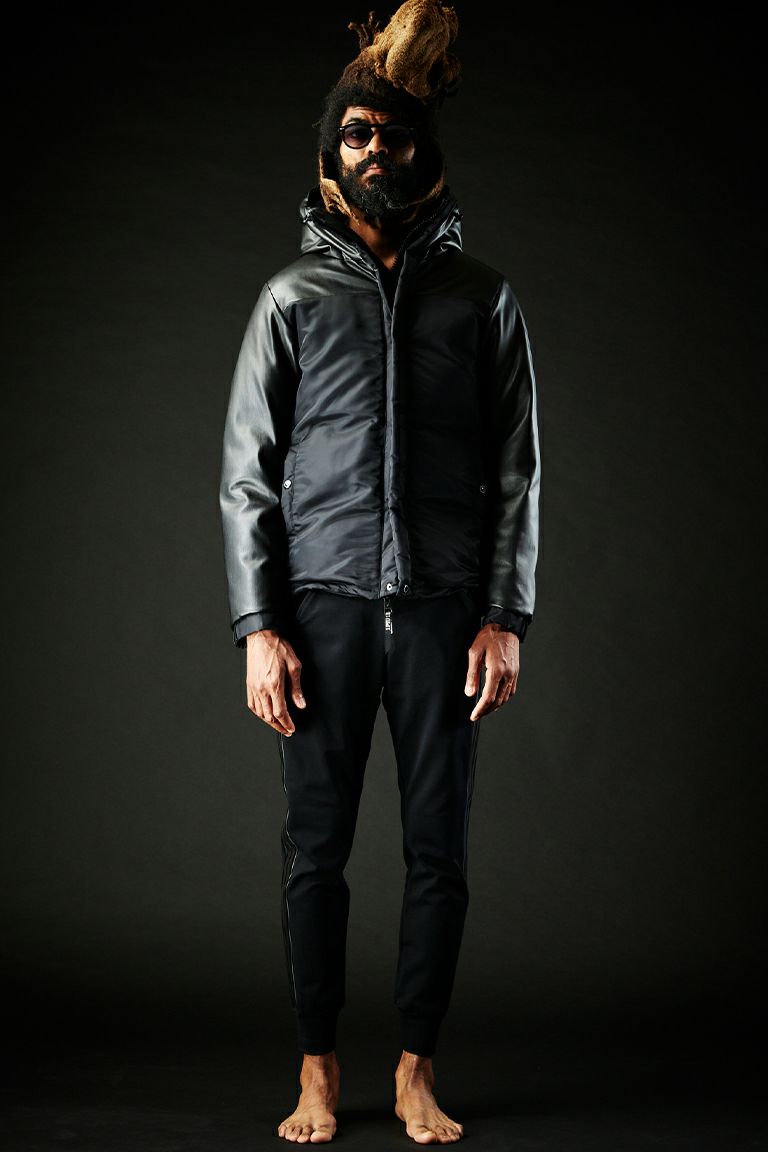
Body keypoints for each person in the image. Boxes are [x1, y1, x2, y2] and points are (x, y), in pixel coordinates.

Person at [218, 0, 540, 1142]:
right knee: (315, 853)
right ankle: (316, 1069)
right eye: (355, 134)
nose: (373, 151)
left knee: (437, 852)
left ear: (421, 151)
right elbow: (247, 476)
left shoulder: (482, 300)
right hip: (322, 613)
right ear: (332, 149)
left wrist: (504, 616)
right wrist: (261, 626)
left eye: (392, 136)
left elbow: (518, 471)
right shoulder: (290, 300)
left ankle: (413, 1069)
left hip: (448, 615)